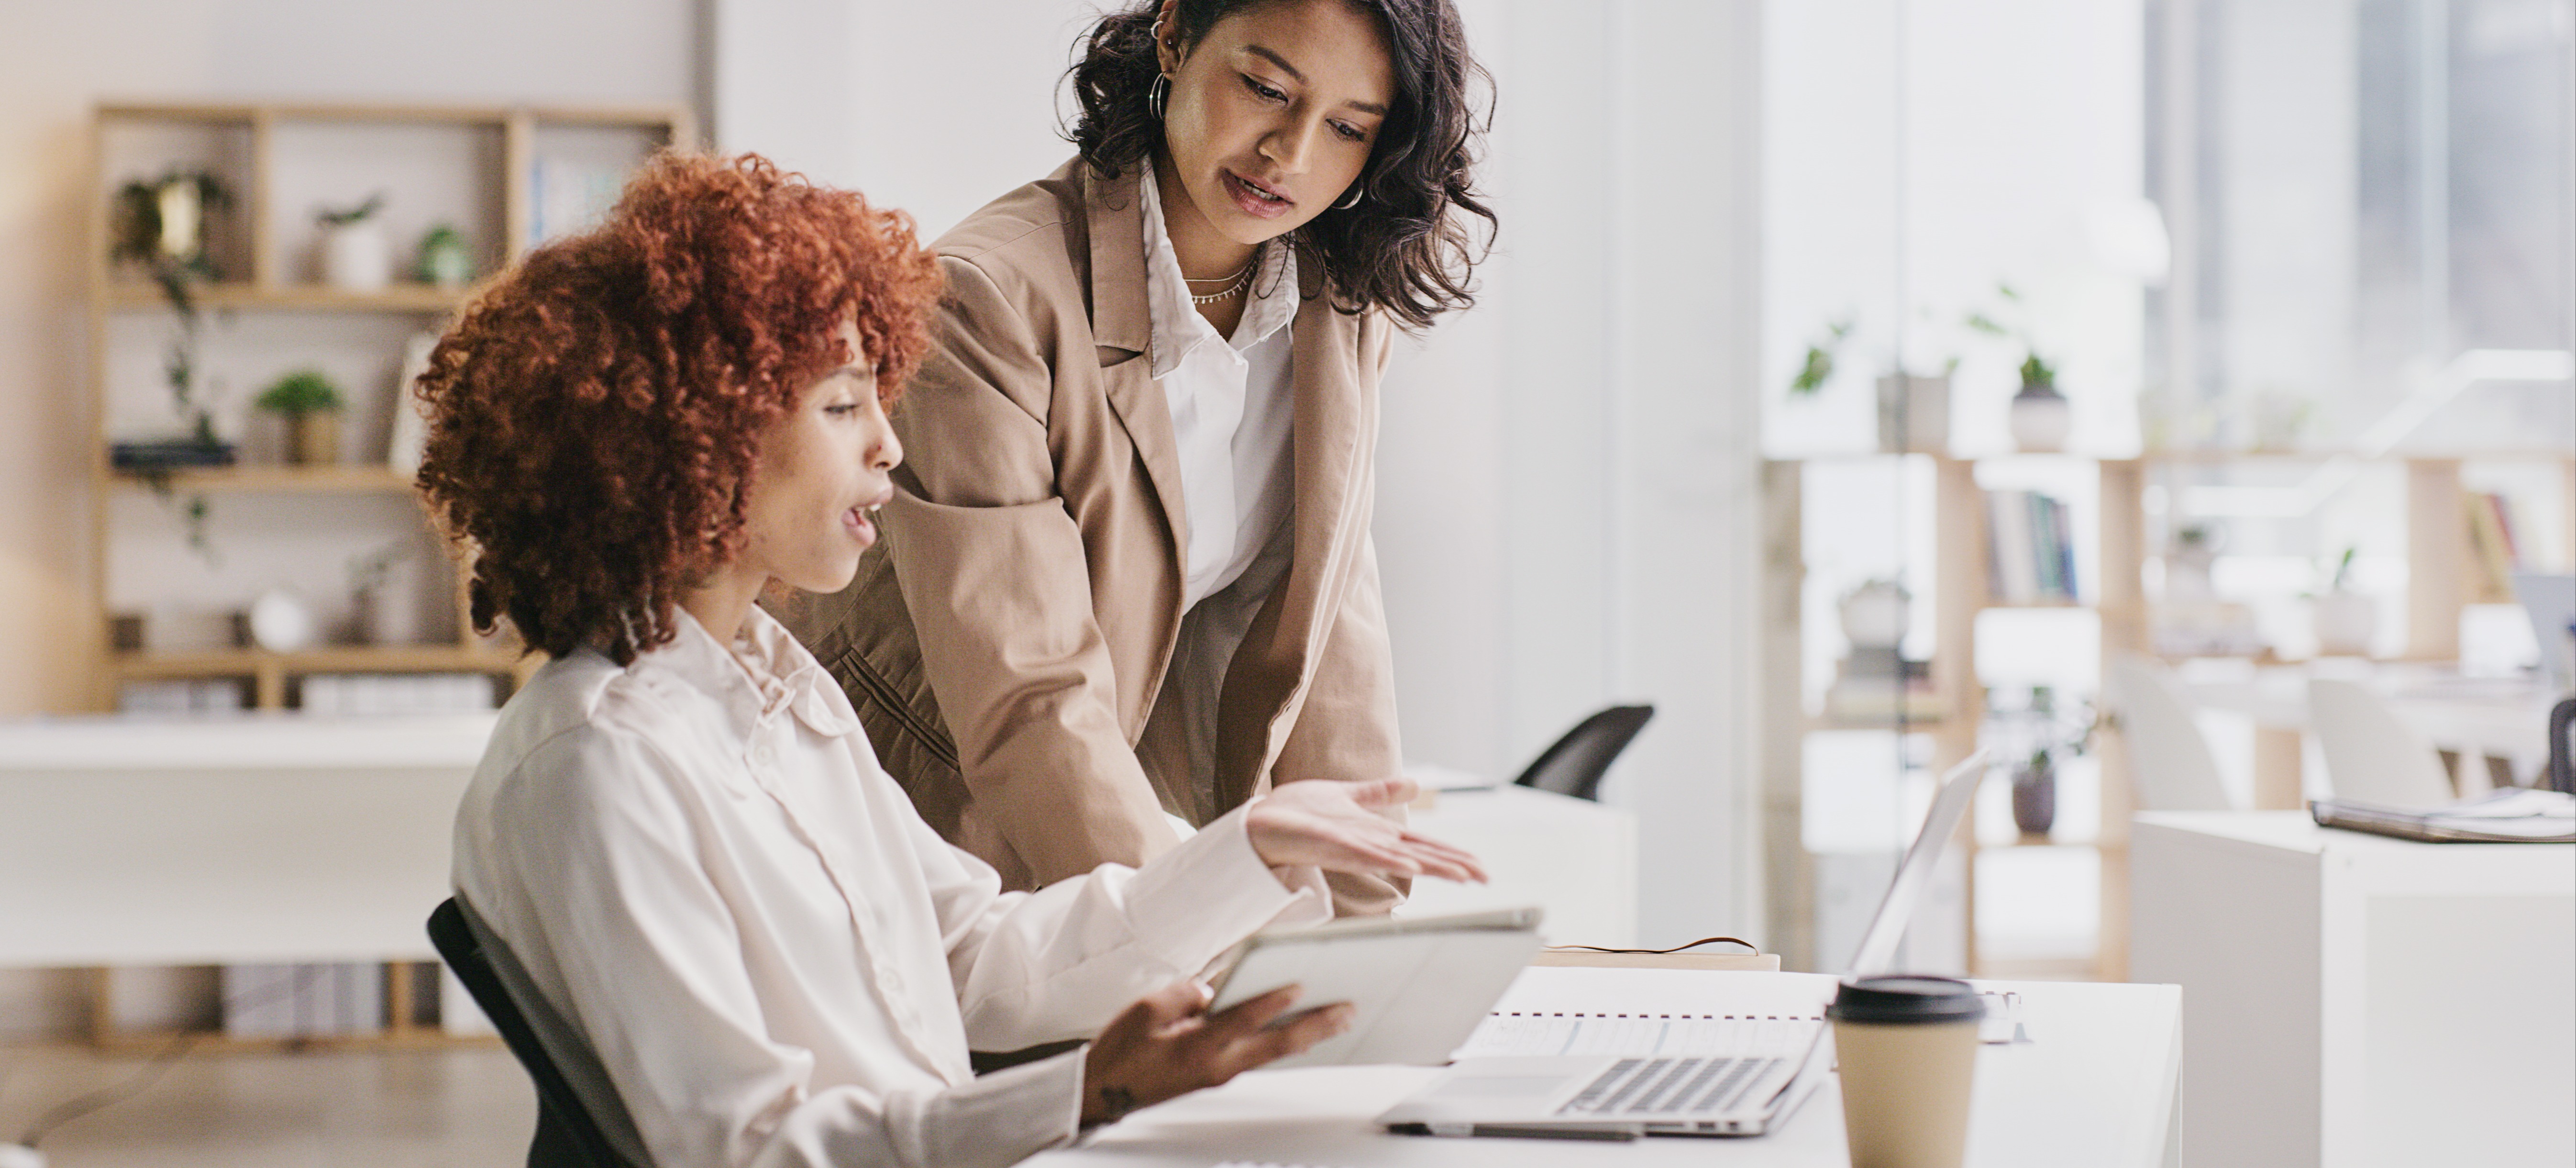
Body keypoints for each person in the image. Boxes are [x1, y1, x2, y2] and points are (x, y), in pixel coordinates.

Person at [418, 152, 1483, 1168]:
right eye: (842, 406)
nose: (887, 442)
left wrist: (1245, 851)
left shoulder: (778, 694)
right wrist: (1080, 1096)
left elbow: (973, 957)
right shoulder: (595, 763)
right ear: (692, 436)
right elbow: (738, 1153)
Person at [774, 0, 1495, 919]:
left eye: (1350, 128)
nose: (1291, 153)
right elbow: (1032, 695)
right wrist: (1192, 935)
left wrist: (1360, 946)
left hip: (1113, 835)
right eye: (1265, 88)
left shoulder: (1338, 304)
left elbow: (1332, 634)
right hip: (933, 834)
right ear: (1173, 37)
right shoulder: (987, 301)